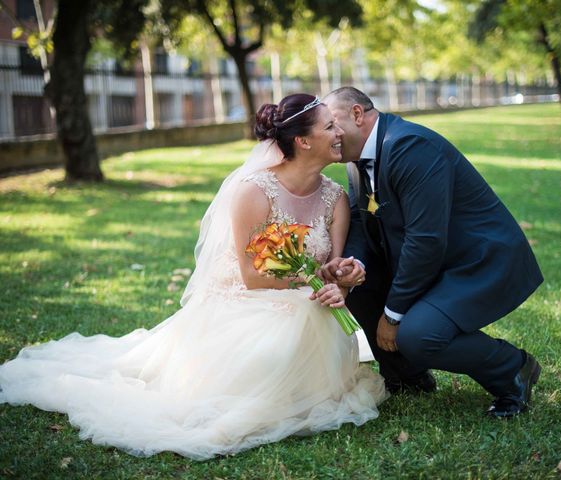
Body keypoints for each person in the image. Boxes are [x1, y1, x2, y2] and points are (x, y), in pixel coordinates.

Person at [0, 93, 387, 459]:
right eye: (330, 127)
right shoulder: (253, 192)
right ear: (303, 141)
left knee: (308, 323)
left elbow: (330, 269)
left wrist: (342, 279)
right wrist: (312, 286)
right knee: (276, 350)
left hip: (308, 303)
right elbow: (252, 277)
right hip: (250, 302)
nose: (340, 134)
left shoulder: (335, 196)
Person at [321, 86, 543, 418]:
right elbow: (360, 220)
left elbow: (425, 240)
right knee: (359, 286)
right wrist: (352, 265)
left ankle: (512, 368)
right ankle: (408, 377)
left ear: (356, 114)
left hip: (476, 262)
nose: (332, 135)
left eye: (332, 122)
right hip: (433, 262)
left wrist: (393, 315)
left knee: (419, 336)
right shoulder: (356, 159)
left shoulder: (409, 146)